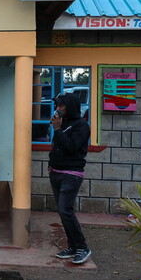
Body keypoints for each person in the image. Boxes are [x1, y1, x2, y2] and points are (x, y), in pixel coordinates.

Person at [49, 92, 92, 264]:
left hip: (71, 174)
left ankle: (83, 247)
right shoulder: (63, 123)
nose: (58, 109)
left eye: (61, 106)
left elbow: (72, 147)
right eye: (57, 106)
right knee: (62, 211)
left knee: (66, 210)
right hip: (56, 172)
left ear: (71, 107)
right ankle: (73, 247)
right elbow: (57, 147)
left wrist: (58, 130)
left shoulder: (81, 126)